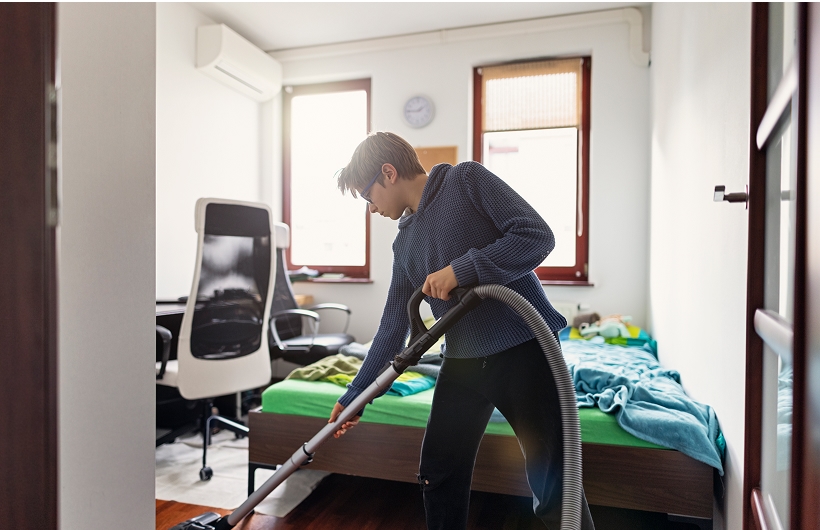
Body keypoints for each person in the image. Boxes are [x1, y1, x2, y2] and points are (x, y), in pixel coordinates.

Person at [328, 131, 595, 530]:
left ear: (388, 173)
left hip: (525, 348)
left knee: (553, 482)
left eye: (368, 197)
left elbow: (537, 236)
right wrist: (357, 394)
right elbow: (392, 327)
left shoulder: (466, 181)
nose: (370, 208)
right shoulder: (404, 246)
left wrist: (462, 270)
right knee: (439, 472)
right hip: (464, 362)